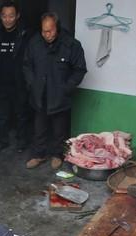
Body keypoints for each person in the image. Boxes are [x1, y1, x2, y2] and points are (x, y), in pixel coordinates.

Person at [23, 12, 87, 170]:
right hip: (40, 94)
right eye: (43, 31)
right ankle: (39, 154)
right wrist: (32, 84)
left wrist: (67, 87)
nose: (46, 34)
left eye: (50, 30)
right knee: (39, 128)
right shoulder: (34, 43)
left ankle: (57, 155)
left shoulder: (71, 45)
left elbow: (79, 70)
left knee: (59, 129)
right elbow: (27, 65)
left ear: (57, 28)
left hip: (60, 95)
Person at [0, 0, 32, 153]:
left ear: (17, 16)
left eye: (11, 16)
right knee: (2, 115)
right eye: (4, 16)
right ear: (0, 16)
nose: (7, 19)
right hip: (1, 82)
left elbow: (31, 58)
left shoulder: (25, 33)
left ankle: (22, 142)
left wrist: (30, 80)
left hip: (19, 82)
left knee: (21, 114)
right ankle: (2, 141)